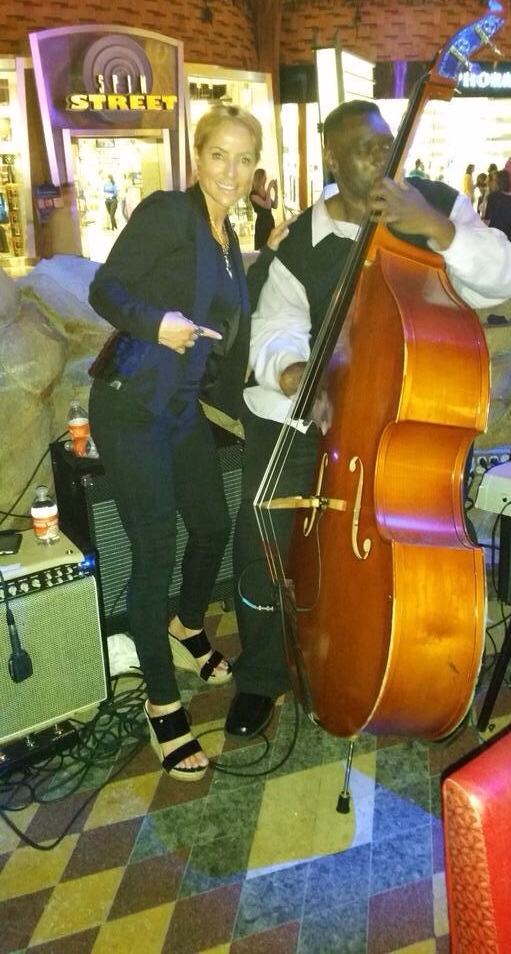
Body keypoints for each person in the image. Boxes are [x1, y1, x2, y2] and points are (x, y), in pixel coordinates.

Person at [224, 99, 511, 740]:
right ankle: (263, 674)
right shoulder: (302, 242)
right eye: (366, 149)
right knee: (264, 519)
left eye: (388, 143)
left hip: (408, 416)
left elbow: (503, 278)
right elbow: (275, 328)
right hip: (319, 415)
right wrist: (293, 374)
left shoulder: (435, 203)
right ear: (332, 158)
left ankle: (420, 662)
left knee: (418, 534)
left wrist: (438, 230)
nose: (384, 157)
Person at [88, 105, 261, 782]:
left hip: (183, 410)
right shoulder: (168, 212)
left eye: (244, 159)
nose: (231, 171)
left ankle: (186, 626)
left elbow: (226, 337)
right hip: (131, 407)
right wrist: (155, 322)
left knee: (212, 525)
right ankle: (162, 703)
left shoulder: (229, 237)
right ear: (197, 157)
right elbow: (105, 288)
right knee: (155, 550)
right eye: (219, 155)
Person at [484, 168, 511, 252]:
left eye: (494, 180)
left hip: (496, 238)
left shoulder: (493, 197)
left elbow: (487, 220)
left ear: (498, 182)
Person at [250, 167, 278, 250]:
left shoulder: (264, 192)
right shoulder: (253, 194)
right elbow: (267, 206)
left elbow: (275, 206)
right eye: (264, 177)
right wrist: (269, 189)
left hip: (269, 221)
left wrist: (276, 192)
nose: (266, 178)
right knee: (263, 247)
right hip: (262, 223)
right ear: (260, 178)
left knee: (271, 247)